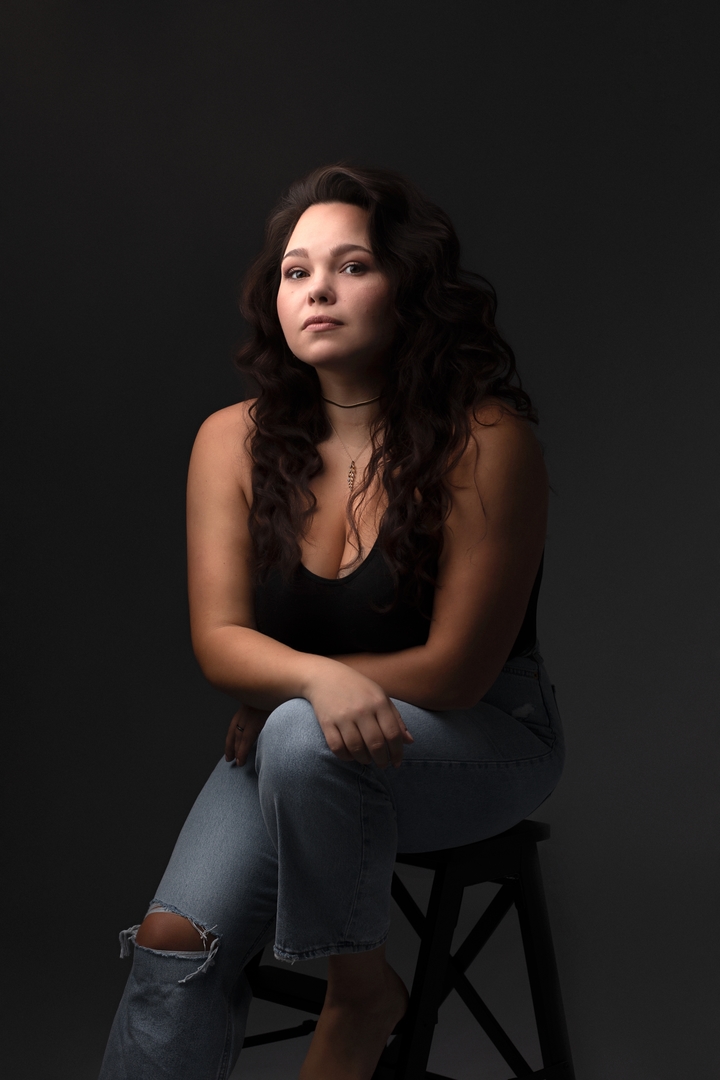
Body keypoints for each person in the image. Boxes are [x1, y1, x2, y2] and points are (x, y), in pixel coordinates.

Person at [98, 163, 564, 1080]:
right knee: (170, 945)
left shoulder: (488, 441)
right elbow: (220, 643)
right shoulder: (229, 440)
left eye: (352, 266)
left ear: (409, 285)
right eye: (295, 271)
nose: (317, 289)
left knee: (302, 738)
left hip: (485, 734)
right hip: (307, 741)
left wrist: (292, 696)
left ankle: (360, 992)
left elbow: (458, 672)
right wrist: (310, 685)